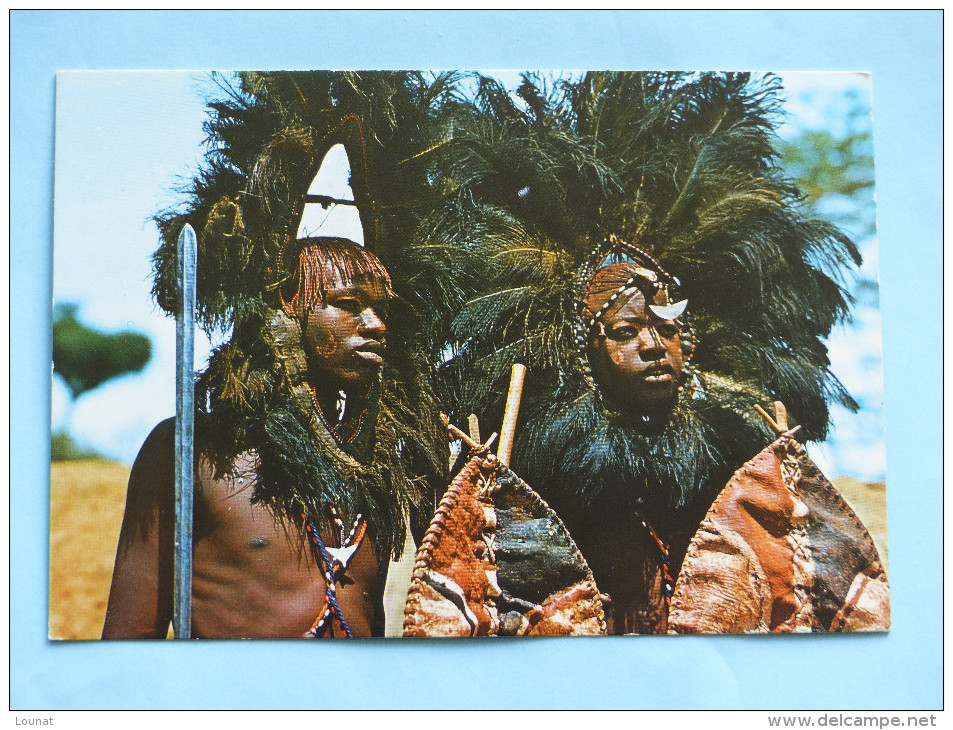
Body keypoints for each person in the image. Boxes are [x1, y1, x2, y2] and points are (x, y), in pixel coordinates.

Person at [103, 236, 411, 639]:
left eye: (381, 309)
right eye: (349, 305)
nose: (376, 324)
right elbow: (129, 645)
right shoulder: (193, 451)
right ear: (288, 307)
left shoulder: (375, 466)